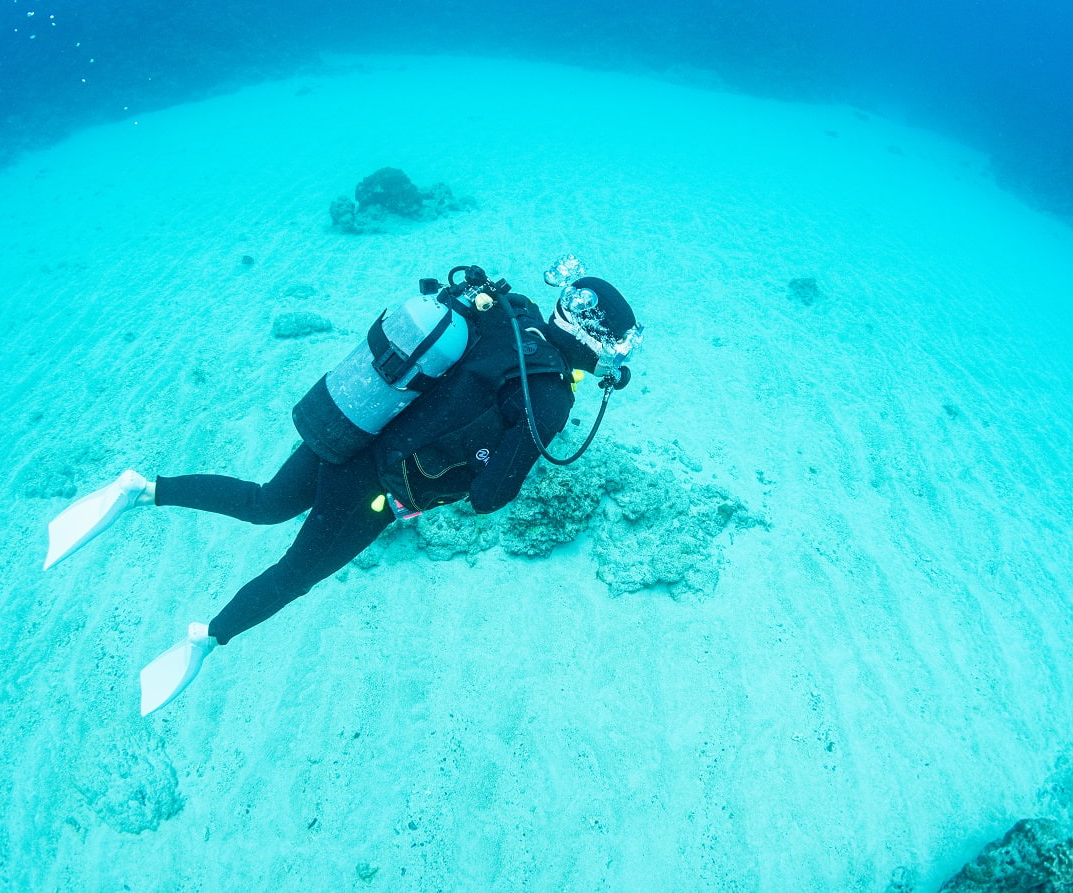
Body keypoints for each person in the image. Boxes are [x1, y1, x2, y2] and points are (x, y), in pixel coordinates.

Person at [42, 257, 641, 714]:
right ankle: (204, 639)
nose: (617, 358)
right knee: (294, 574)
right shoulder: (550, 397)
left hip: (355, 423)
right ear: (593, 339)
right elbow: (490, 497)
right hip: (376, 487)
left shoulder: (511, 313)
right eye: (617, 346)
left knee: (264, 502)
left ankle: (139, 489)